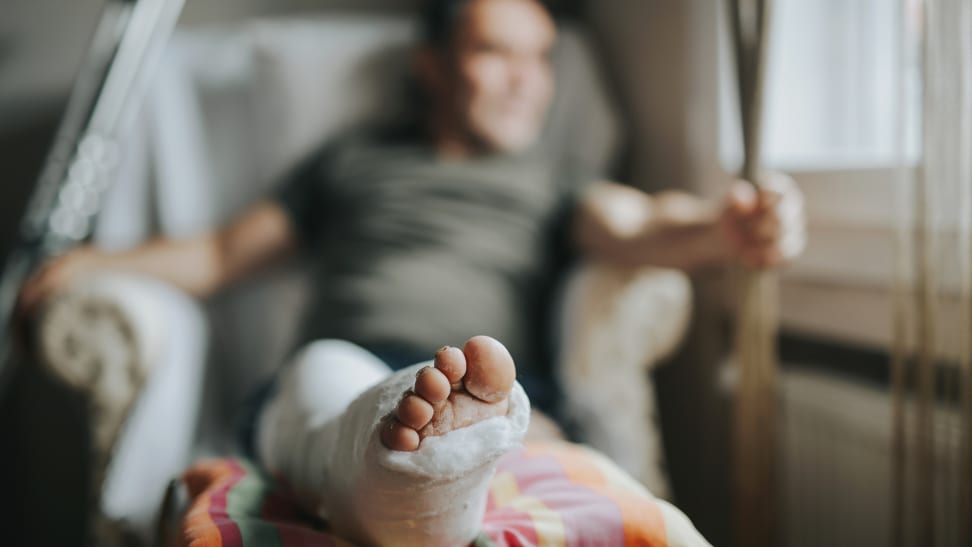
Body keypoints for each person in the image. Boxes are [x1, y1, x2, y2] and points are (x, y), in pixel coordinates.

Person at [15, 0, 803, 543]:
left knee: (544, 439)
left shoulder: (552, 180)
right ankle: (403, 461)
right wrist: (93, 261)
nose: (526, 78)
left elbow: (635, 222)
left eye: (541, 57)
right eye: (496, 52)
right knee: (327, 384)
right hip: (345, 362)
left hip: (503, 393)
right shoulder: (353, 160)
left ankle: (421, 466)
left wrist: (720, 226)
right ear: (431, 66)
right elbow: (221, 253)